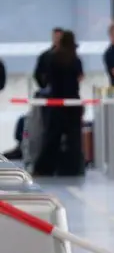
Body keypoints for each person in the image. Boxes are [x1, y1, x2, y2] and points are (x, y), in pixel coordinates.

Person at [33, 29, 84, 177]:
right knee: (73, 138)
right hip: (73, 102)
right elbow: (80, 77)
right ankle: (73, 168)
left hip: (56, 102)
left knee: (52, 137)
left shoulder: (52, 58)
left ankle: (43, 169)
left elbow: (46, 78)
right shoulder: (76, 59)